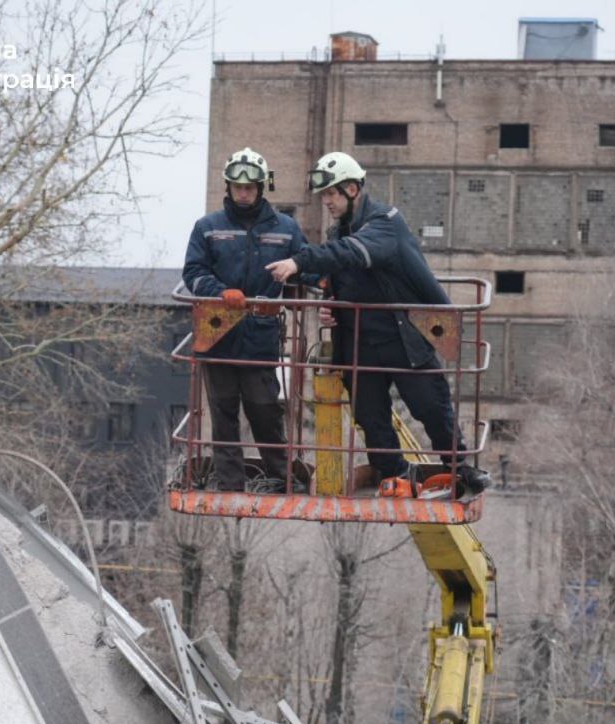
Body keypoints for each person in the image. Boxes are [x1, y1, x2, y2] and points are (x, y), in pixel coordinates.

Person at [266, 151, 490, 498]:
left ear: (353, 189)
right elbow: (340, 274)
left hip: (403, 336)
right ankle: (395, 474)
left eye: (331, 194)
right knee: (369, 414)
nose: (326, 201)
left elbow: (352, 254)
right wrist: (328, 300)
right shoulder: (341, 229)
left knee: (430, 405)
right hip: (361, 340)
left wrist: (298, 260)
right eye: (323, 195)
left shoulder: (384, 223)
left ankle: (462, 470)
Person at [182, 147, 307, 493]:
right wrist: (220, 292)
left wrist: (309, 282)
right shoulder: (207, 228)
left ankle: (283, 479)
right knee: (223, 413)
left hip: (260, 335)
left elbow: (305, 263)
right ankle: (230, 483)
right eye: (237, 187)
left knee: (265, 409)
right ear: (228, 186)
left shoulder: (286, 229)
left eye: (250, 187)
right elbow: (193, 271)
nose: (243, 192)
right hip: (217, 331)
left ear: (262, 187)